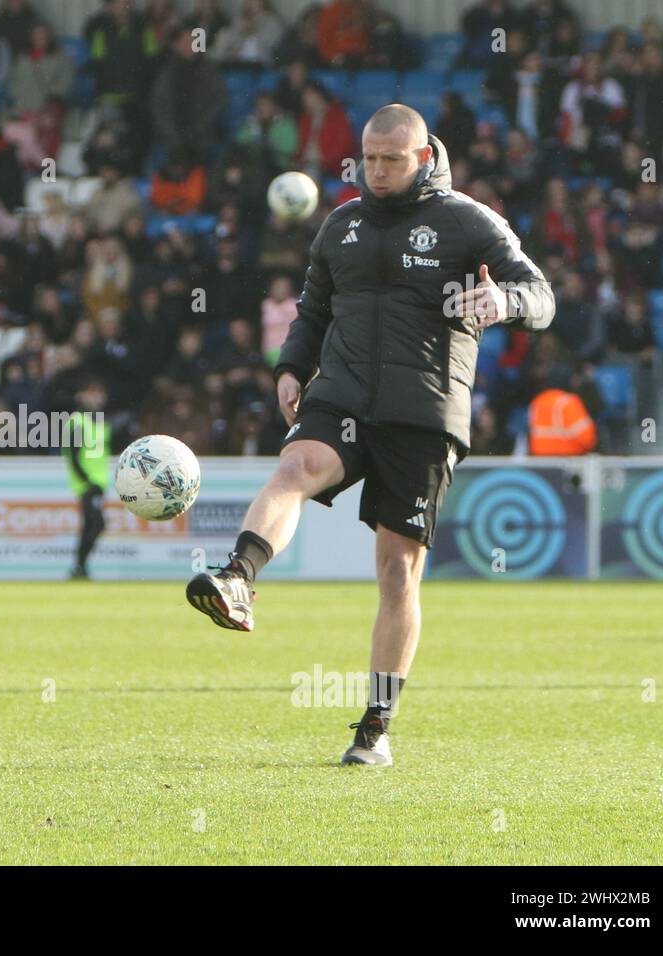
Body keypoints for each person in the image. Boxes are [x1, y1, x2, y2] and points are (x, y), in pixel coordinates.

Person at [185, 105, 555, 766]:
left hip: (424, 410)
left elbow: (541, 292)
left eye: (391, 160)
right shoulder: (342, 224)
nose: (376, 171)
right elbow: (313, 309)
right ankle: (239, 578)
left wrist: (508, 303)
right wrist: (293, 367)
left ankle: (376, 727)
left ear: (422, 157)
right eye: (368, 159)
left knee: (396, 571)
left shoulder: (467, 220)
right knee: (295, 467)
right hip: (344, 395)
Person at [64, 379, 111, 579]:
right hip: (87, 483)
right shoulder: (77, 421)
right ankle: (79, 566)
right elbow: (73, 455)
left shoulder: (100, 421)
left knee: (92, 524)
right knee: (96, 523)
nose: (97, 397)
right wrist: (86, 480)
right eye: (92, 392)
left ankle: (80, 566)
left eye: (99, 393)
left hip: (98, 481)